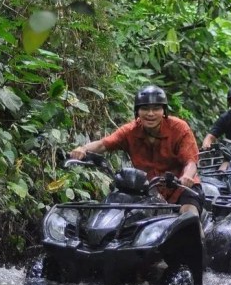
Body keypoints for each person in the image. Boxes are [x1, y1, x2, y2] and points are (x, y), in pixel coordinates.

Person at [69, 85, 202, 216]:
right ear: (137, 111)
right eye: (145, 108)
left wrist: (187, 177)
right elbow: (104, 144)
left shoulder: (179, 128)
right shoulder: (130, 131)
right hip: (150, 191)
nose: (150, 114)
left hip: (183, 188)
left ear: (164, 111)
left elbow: (191, 161)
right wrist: (83, 149)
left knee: (189, 217)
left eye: (156, 108)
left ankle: (199, 235)